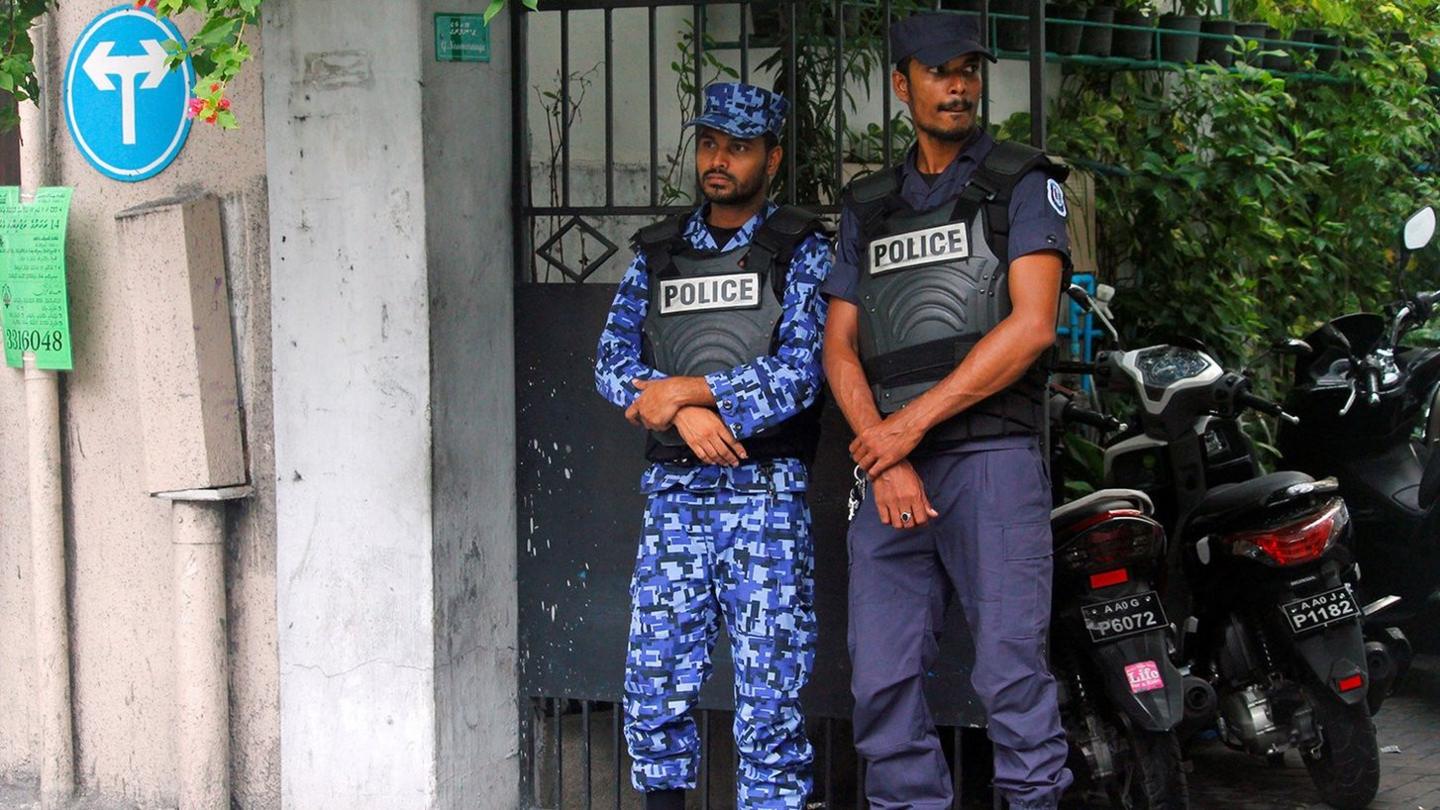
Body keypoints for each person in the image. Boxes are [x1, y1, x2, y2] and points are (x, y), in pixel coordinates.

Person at [820, 12, 1075, 810]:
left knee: (1009, 674)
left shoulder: (1024, 181)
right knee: (881, 681)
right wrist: (885, 449)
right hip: (891, 471)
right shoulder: (870, 204)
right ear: (903, 85)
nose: (958, 83)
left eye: (969, 68)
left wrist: (907, 428)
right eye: (938, 70)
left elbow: (1032, 325)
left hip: (990, 462)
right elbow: (839, 347)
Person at [594, 81, 832, 810]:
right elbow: (611, 364)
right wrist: (682, 417)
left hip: (766, 500)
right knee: (654, 683)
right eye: (708, 143)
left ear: (772, 155)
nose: (718, 159)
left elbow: (799, 374)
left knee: (770, 698)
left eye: (737, 145)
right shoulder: (659, 252)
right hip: (675, 502)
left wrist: (689, 393)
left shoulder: (801, 252)